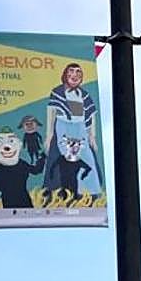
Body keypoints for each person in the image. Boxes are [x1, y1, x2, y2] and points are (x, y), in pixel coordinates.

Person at [42, 63, 102, 202]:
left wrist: (92, 134)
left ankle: (90, 190)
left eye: (78, 73)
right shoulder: (58, 92)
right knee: (63, 157)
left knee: (86, 157)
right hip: (63, 125)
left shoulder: (84, 94)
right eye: (71, 72)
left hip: (80, 127)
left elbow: (91, 115)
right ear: (65, 75)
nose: (75, 75)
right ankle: (59, 190)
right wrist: (49, 134)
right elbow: (51, 111)